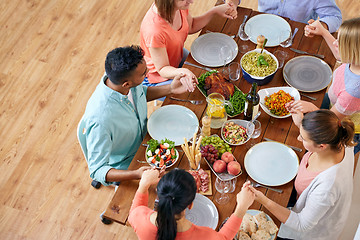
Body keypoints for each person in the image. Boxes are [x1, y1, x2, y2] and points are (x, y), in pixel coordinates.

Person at [80, 46, 197, 186]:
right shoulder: (100, 120)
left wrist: (171, 88)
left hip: (149, 140)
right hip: (129, 164)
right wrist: (136, 174)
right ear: (126, 84)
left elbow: (141, 94)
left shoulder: (122, 82)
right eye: (143, 73)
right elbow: (97, 170)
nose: (148, 73)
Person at [248, 110, 355, 240]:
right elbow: (324, 127)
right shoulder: (339, 139)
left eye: (303, 138)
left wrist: (262, 199)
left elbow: (301, 224)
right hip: (305, 199)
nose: (299, 138)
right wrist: (302, 124)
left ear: (321, 146)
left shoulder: (328, 185)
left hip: (313, 230)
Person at [288, 18, 360, 154]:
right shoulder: (355, 60)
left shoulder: (354, 91)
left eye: (341, 42)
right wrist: (323, 32)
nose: (335, 42)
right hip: (335, 104)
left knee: (321, 152)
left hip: (344, 125)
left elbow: (329, 122)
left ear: (353, 51)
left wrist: (309, 114)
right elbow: (340, 56)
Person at [129, 168, 255, 240]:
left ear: (158, 194)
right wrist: (241, 208)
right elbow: (224, 238)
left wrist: (143, 184)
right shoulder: (205, 236)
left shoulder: (140, 218)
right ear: (190, 205)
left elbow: (135, 212)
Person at [140, 0, 237, 87]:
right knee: (201, 89)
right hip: (158, 78)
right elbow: (162, 69)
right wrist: (183, 72)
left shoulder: (177, 7)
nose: (191, 1)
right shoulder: (154, 31)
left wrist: (214, 11)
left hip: (175, 57)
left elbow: (191, 25)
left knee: (209, 72)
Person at [228, 0, 341, 34]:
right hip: (261, 28)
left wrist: (322, 26)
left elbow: (334, 16)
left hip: (296, 35)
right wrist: (231, 2)